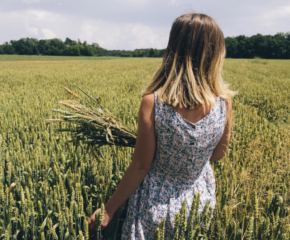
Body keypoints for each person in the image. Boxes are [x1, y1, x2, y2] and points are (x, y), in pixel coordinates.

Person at [88, 13, 236, 239]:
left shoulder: (154, 102)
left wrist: (108, 210)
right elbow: (218, 155)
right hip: (199, 206)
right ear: (215, 52)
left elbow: (140, 166)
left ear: (174, 49)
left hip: (154, 207)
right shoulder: (224, 103)